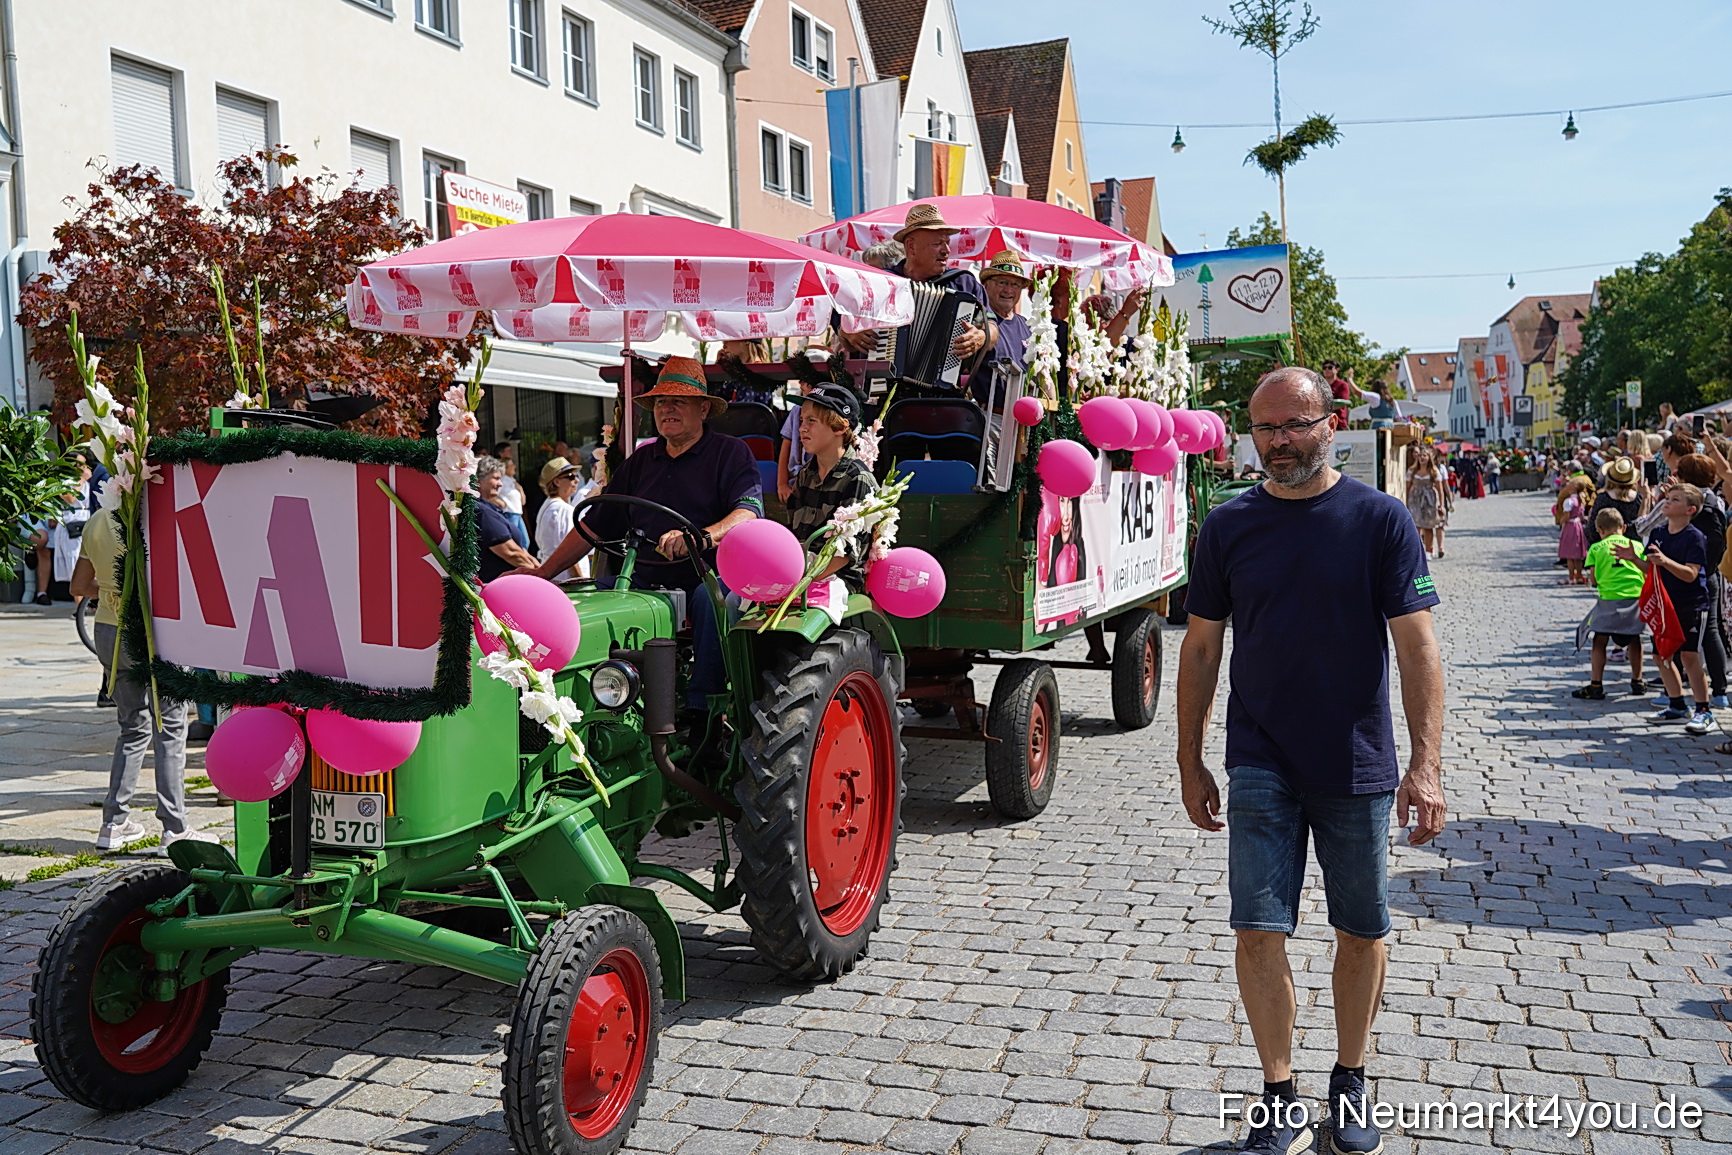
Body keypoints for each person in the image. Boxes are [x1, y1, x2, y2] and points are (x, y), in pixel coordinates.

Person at [1176, 367, 1445, 1155]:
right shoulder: (1228, 526)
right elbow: (1199, 647)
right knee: (1257, 927)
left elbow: (1418, 646)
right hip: (1261, 756)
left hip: (1357, 762)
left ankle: (1351, 1077)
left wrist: (1423, 766)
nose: (1279, 441)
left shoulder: (1381, 521)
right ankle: (1278, 1092)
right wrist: (1191, 759)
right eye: (1264, 428)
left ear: (1331, 424)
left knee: (1361, 929)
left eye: (1294, 424)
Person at [529, 357, 762, 709]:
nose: (667, 408)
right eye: (661, 401)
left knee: (708, 600)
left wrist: (700, 537)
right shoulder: (640, 461)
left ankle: (704, 710)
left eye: (678, 400)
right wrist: (543, 574)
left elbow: (748, 513)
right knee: (581, 600)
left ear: (702, 408)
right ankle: (577, 700)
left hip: (707, 574)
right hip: (641, 578)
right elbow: (595, 525)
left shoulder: (730, 453)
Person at [70, 509, 217, 850]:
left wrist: (113, 588)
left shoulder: (99, 519)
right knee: (169, 729)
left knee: (131, 727)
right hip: (161, 630)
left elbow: (78, 585)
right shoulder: (170, 514)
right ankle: (174, 826)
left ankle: (114, 822)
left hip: (110, 628)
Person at [838, 204, 994, 381]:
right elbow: (840, 312)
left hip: (941, 395)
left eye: (947, 243)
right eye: (937, 244)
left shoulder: (963, 282)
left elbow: (993, 326)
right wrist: (847, 331)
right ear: (911, 247)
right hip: (880, 389)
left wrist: (981, 336)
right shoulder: (879, 282)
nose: (946, 251)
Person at [1617, 483, 1714, 734]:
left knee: (1689, 656)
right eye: (1667, 498)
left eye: (1674, 499)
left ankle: (1704, 711)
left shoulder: (1694, 537)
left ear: (1690, 509)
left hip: (1690, 603)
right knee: (1661, 656)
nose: (1667, 502)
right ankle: (1677, 705)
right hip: (1663, 605)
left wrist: (1666, 561)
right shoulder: (1659, 532)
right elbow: (1653, 569)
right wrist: (1635, 559)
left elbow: (1691, 574)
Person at [786, 385, 878, 592]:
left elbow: (845, 554)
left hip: (837, 584)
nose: (802, 428)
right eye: (802, 420)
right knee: (735, 600)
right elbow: (794, 536)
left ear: (839, 427)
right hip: (800, 575)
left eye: (811, 421)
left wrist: (797, 583)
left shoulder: (858, 479)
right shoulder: (805, 475)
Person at [1573, 508, 1649, 700]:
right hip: (1635, 598)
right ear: (1623, 528)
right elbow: (1645, 571)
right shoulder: (1636, 545)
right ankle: (1637, 680)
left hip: (1609, 600)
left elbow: (1594, 579)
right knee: (1634, 638)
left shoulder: (1596, 549)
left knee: (1599, 639)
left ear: (1600, 530)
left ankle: (1596, 684)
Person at [1671, 454, 1728, 708]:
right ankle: (1719, 691)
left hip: (1683, 574)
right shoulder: (1716, 501)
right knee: (1711, 632)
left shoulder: (1685, 503)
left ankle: (1674, 691)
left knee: (1676, 632)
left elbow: (1645, 527)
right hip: (1711, 573)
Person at [475, 456, 539, 583]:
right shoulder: (481, 511)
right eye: (496, 478)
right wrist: (540, 576)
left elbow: (520, 551)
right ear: (479, 481)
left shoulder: (491, 509)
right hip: (499, 587)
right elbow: (511, 553)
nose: (501, 484)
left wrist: (540, 568)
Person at [535, 456, 583, 577]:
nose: (577, 480)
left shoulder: (548, 505)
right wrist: (581, 581)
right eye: (571, 476)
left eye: (576, 476)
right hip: (566, 580)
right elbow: (569, 550)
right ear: (556, 482)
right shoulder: (562, 509)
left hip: (555, 575)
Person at [1586, 457, 1647, 548]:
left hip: (1606, 548)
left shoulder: (1603, 498)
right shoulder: (1639, 498)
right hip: (1633, 548)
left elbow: (1592, 529)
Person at [1404, 446, 1449, 559]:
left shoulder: (1433, 471)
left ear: (1429, 458)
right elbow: (1407, 487)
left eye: (1424, 455)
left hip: (1430, 500)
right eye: (1420, 455)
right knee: (1415, 525)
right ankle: (1416, 551)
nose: (1422, 457)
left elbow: (1440, 490)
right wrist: (1405, 502)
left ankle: (1428, 550)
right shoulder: (1412, 471)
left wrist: (1441, 505)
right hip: (1415, 499)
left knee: (1428, 526)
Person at [776, 378, 816, 502]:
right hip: (794, 483)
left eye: (806, 380)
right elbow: (786, 446)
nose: (800, 383)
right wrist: (782, 484)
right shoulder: (796, 411)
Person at [1557, 476, 1592, 585]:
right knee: (1577, 555)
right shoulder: (1580, 499)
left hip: (1570, 526)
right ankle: (1580, 576)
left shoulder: (1569, 501)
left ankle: (1571, 577)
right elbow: (1581, 515)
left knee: (1570, 555)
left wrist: (1560, 520)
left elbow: (1567, 516)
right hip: (1578, 526)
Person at [496, 457, 530, 550]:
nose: (514, 466)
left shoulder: (512, 480)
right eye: (511, 465)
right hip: (509, 513)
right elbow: (495, 493)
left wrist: (520, 489)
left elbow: (523, 501)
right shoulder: (502, 480)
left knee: (524, 541)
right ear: (506, 467)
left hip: (517, 513)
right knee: (515, 540)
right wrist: (501, 503)